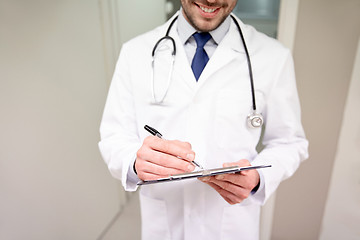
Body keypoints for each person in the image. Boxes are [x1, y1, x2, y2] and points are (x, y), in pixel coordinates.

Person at [99, 0, 309, 239]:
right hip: (165, 225)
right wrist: (135, 163)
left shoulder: (272, 57)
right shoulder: (135, 52)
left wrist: (259, 178)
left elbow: (290, 142)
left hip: (231, 225)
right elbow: (114, 136)